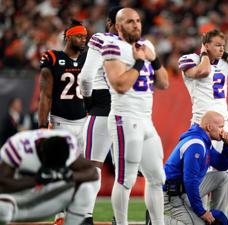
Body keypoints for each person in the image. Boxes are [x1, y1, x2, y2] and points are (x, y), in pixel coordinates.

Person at [102, 8, 169, 225]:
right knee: (126, 179)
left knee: (158, 177)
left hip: (146, 120)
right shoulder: (113, 46)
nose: (136, 25)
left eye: (138, 21)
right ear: (119, 26)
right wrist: (140, 63)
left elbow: (164, 83)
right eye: (130, 21)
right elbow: (120, 85)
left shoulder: (147, 46)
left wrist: (154, 59)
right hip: (124, 119)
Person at [178, 29, 228, 215]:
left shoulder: (223, 63)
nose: (221, 49)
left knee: (225, 174)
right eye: (217, 45)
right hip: (201, 126)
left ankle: (220, 215)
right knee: (201, 173)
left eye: (223, 46)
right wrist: (204, 53)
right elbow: (202, 72)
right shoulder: (190, 59)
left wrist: (225, 54)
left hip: (223, 125)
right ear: (206, 44)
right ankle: (199, 213)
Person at [78, 7, 122, 225]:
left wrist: (87, 100)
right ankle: (119, 218)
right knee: (125, 170)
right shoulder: (137, 45)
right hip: (127, 110)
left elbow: (86, 77)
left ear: (109, 23)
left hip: (102, 106)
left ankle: (84, 216)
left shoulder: (100, 39)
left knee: (92, 166)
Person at [0, 129, 98, 225]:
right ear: (41, 151)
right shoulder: (18, 145)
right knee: (2, 209)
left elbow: (93, 172)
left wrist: (69, 175)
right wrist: (35, 180)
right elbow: (2, 184)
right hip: (19, 202)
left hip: (51, 199)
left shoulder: (67, 144)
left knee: (87, 188)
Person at [163, 111, 228, 225]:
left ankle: (216, 217)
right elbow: (190, 180)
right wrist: (201, 212)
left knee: (223, 177)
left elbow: (222, 165)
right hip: (172, 194)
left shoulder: (204, 141)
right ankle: (157, 220)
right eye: (220, 127)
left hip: (184, 189)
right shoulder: (196, 144)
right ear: (209, 127)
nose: (223, 131)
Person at [38, 19, 88, 148]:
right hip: (60, 122)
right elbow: (45, 96)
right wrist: (42, 128)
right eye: (79, 36)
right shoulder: (53, 58)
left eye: (85, 37)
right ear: (68, 37)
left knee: (87, 166)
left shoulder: (89, 58)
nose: (83, 40)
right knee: (60, 164)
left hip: (85, 121)